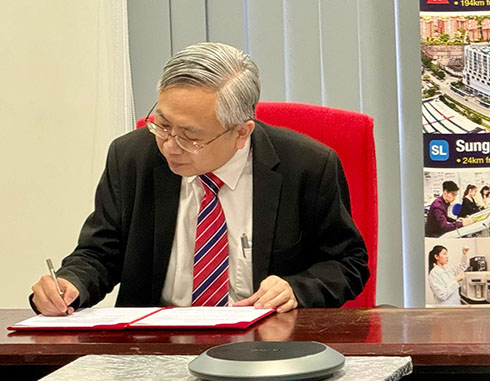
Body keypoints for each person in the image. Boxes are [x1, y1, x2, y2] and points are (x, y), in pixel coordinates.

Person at [30, 42, 369, 316]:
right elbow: (101, 253)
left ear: (241, 132)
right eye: (162, 124)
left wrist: (296, 288)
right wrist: (71, 282)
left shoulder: (306, 166)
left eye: (190, 135)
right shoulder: (132, 157)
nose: (169, 145)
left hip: (266, 344)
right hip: (154, 348)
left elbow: (347, 264)